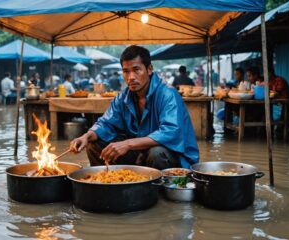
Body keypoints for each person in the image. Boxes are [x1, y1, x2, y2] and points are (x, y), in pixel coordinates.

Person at [70, 45, 199, 169]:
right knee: (94, 145)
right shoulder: (122, 98)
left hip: (174, 157)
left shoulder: (168, 94)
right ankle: (109, 186)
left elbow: (171, 132)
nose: (131, 77)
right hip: (140, 152)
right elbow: (106, 123)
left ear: (149, 69)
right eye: (126, 71)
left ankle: (157, 191)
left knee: (156, 153)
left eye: (136, 70)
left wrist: (127, 144)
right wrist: (86, 136)